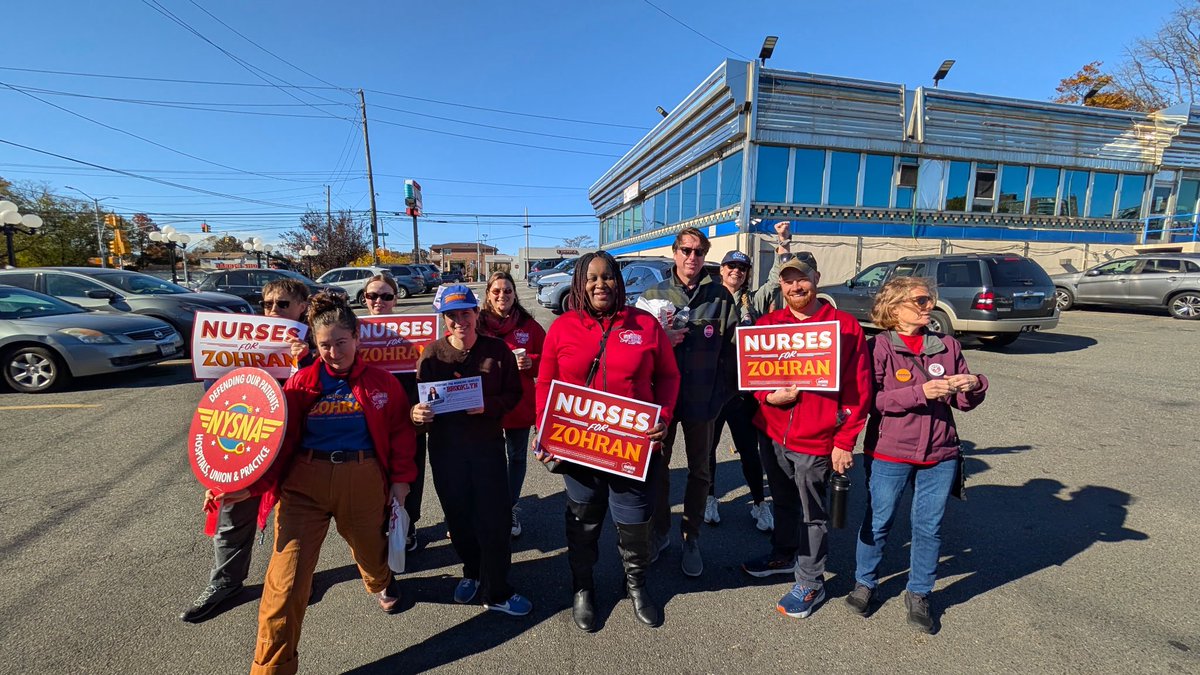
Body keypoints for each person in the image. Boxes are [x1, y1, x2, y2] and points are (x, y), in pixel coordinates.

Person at [249, 292, 417, 675]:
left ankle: (381, 580)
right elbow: (271, 437)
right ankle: (272, 668)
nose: (333, 352)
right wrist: (242, 479)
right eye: (324, 345)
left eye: (341, 342)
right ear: (314, 344)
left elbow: (400, 435)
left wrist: (401, 482)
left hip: (362, 480)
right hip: (303, 487)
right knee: (284, 586)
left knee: (373, 555)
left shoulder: (382, 383)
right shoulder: (299, 384)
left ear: (357, 338)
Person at [535, 252, 679, 630]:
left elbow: (667, 376)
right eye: (592, 278)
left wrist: (662, 417)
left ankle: (636, 585)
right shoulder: (563, 328)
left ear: (619, 280)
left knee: (634, 525)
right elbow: (546, 384)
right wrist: (543, 431)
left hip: (631, 449)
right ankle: (583, 588)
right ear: (580, 283)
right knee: (583, 525)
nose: (601, 285)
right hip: (578, 448)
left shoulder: (644, 324)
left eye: (608, 277)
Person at [847, 276, 988, 633]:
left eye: (930, 300)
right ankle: (865, 583)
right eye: (921, 301)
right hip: (890, 451)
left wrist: (973, 385)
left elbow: (963, 402)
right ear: (895, 308)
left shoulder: (946, 345)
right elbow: (871, 401)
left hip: (940, 454)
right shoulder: (878, 347)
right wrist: (918, 392)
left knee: (929, 526)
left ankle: (920, 592)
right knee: (879, 521)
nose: (929, 307)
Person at [740, 253, 871, 620]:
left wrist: (845, 441)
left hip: (816, 438)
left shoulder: (843, 327)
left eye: (803, 278)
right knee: (782, 500)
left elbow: (859, 390)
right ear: (780, 284)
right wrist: (768, 397)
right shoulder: (769, 325)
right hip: (772, 431)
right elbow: (753, 380)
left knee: (813, 512)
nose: (796, 286)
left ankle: (811, 580)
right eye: (788, 280)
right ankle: (783, 553)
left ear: (816, 277)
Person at [180, 278, 313, 623]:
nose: (272, 311)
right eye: (267, 304)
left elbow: (326, 386)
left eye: (282, 305)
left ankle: (292, 582)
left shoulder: (314, 343)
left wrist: (306, 358)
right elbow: (217, 391)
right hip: (248, 441)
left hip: (294, 448)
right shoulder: (239, 338)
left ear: (302, 307)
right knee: (232, 517)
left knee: (292, 522)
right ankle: (225, 582)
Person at [410, 284, 533, 616]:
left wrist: (487, 406)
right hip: (447, 455)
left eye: (465, 313)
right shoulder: (431, 355)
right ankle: (471, 571)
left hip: (487, 452)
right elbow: (419, 407)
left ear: (477, 314)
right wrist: (416, 414)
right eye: (451, 315)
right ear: (444, 318)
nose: (459, 321)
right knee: (459, 520)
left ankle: (498, 589)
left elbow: (513, 395)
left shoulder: (498, 352)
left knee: (494, 522)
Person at [640, 227, 739, 578]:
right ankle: (662, 533)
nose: (692, 257)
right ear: (674, 252)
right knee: (659, 470)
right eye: (685, 250)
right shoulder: (652, 295)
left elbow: (733, 356)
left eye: (698, 251)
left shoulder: (721, 297)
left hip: (703, 401)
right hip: (662, 403)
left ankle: (691, 536)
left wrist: (721, 397)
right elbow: (635, 351)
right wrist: (659, 340)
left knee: (700, 471)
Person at [704, 250, 773, 532]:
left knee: (749, 451)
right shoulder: (709, 297)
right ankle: (709, 498)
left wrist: (782, 247)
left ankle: (759, 503)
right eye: (731, 266)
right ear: (721, 270)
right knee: (707, 449)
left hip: (743, 393)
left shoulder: (752, 301)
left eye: (742, 267)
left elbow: (774, 285)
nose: (736, 271)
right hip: (713, 389)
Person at [360, 274, 429, 553]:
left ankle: (408, 527)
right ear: (364, 299)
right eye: (372, 296)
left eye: (386, 296)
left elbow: (427, 373)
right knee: (373, 477)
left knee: (410, 476)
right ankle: (380, 527)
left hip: (408, 417)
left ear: (396, 299)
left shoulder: (413, 330)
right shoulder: (354, 330)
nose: (379, 301)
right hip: (369, 419)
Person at [477, 270, 546, 539]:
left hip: (519, 402)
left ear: (515, 294)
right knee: (486, 458)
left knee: (516, 457)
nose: (502, 295)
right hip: (487, 405)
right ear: (488, 295)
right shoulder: (477, 324)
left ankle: (509, 507)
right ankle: (484, 507)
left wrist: (532, 362)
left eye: (507, 290)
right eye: (496, 291)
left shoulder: (528, 325)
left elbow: (549, 358)